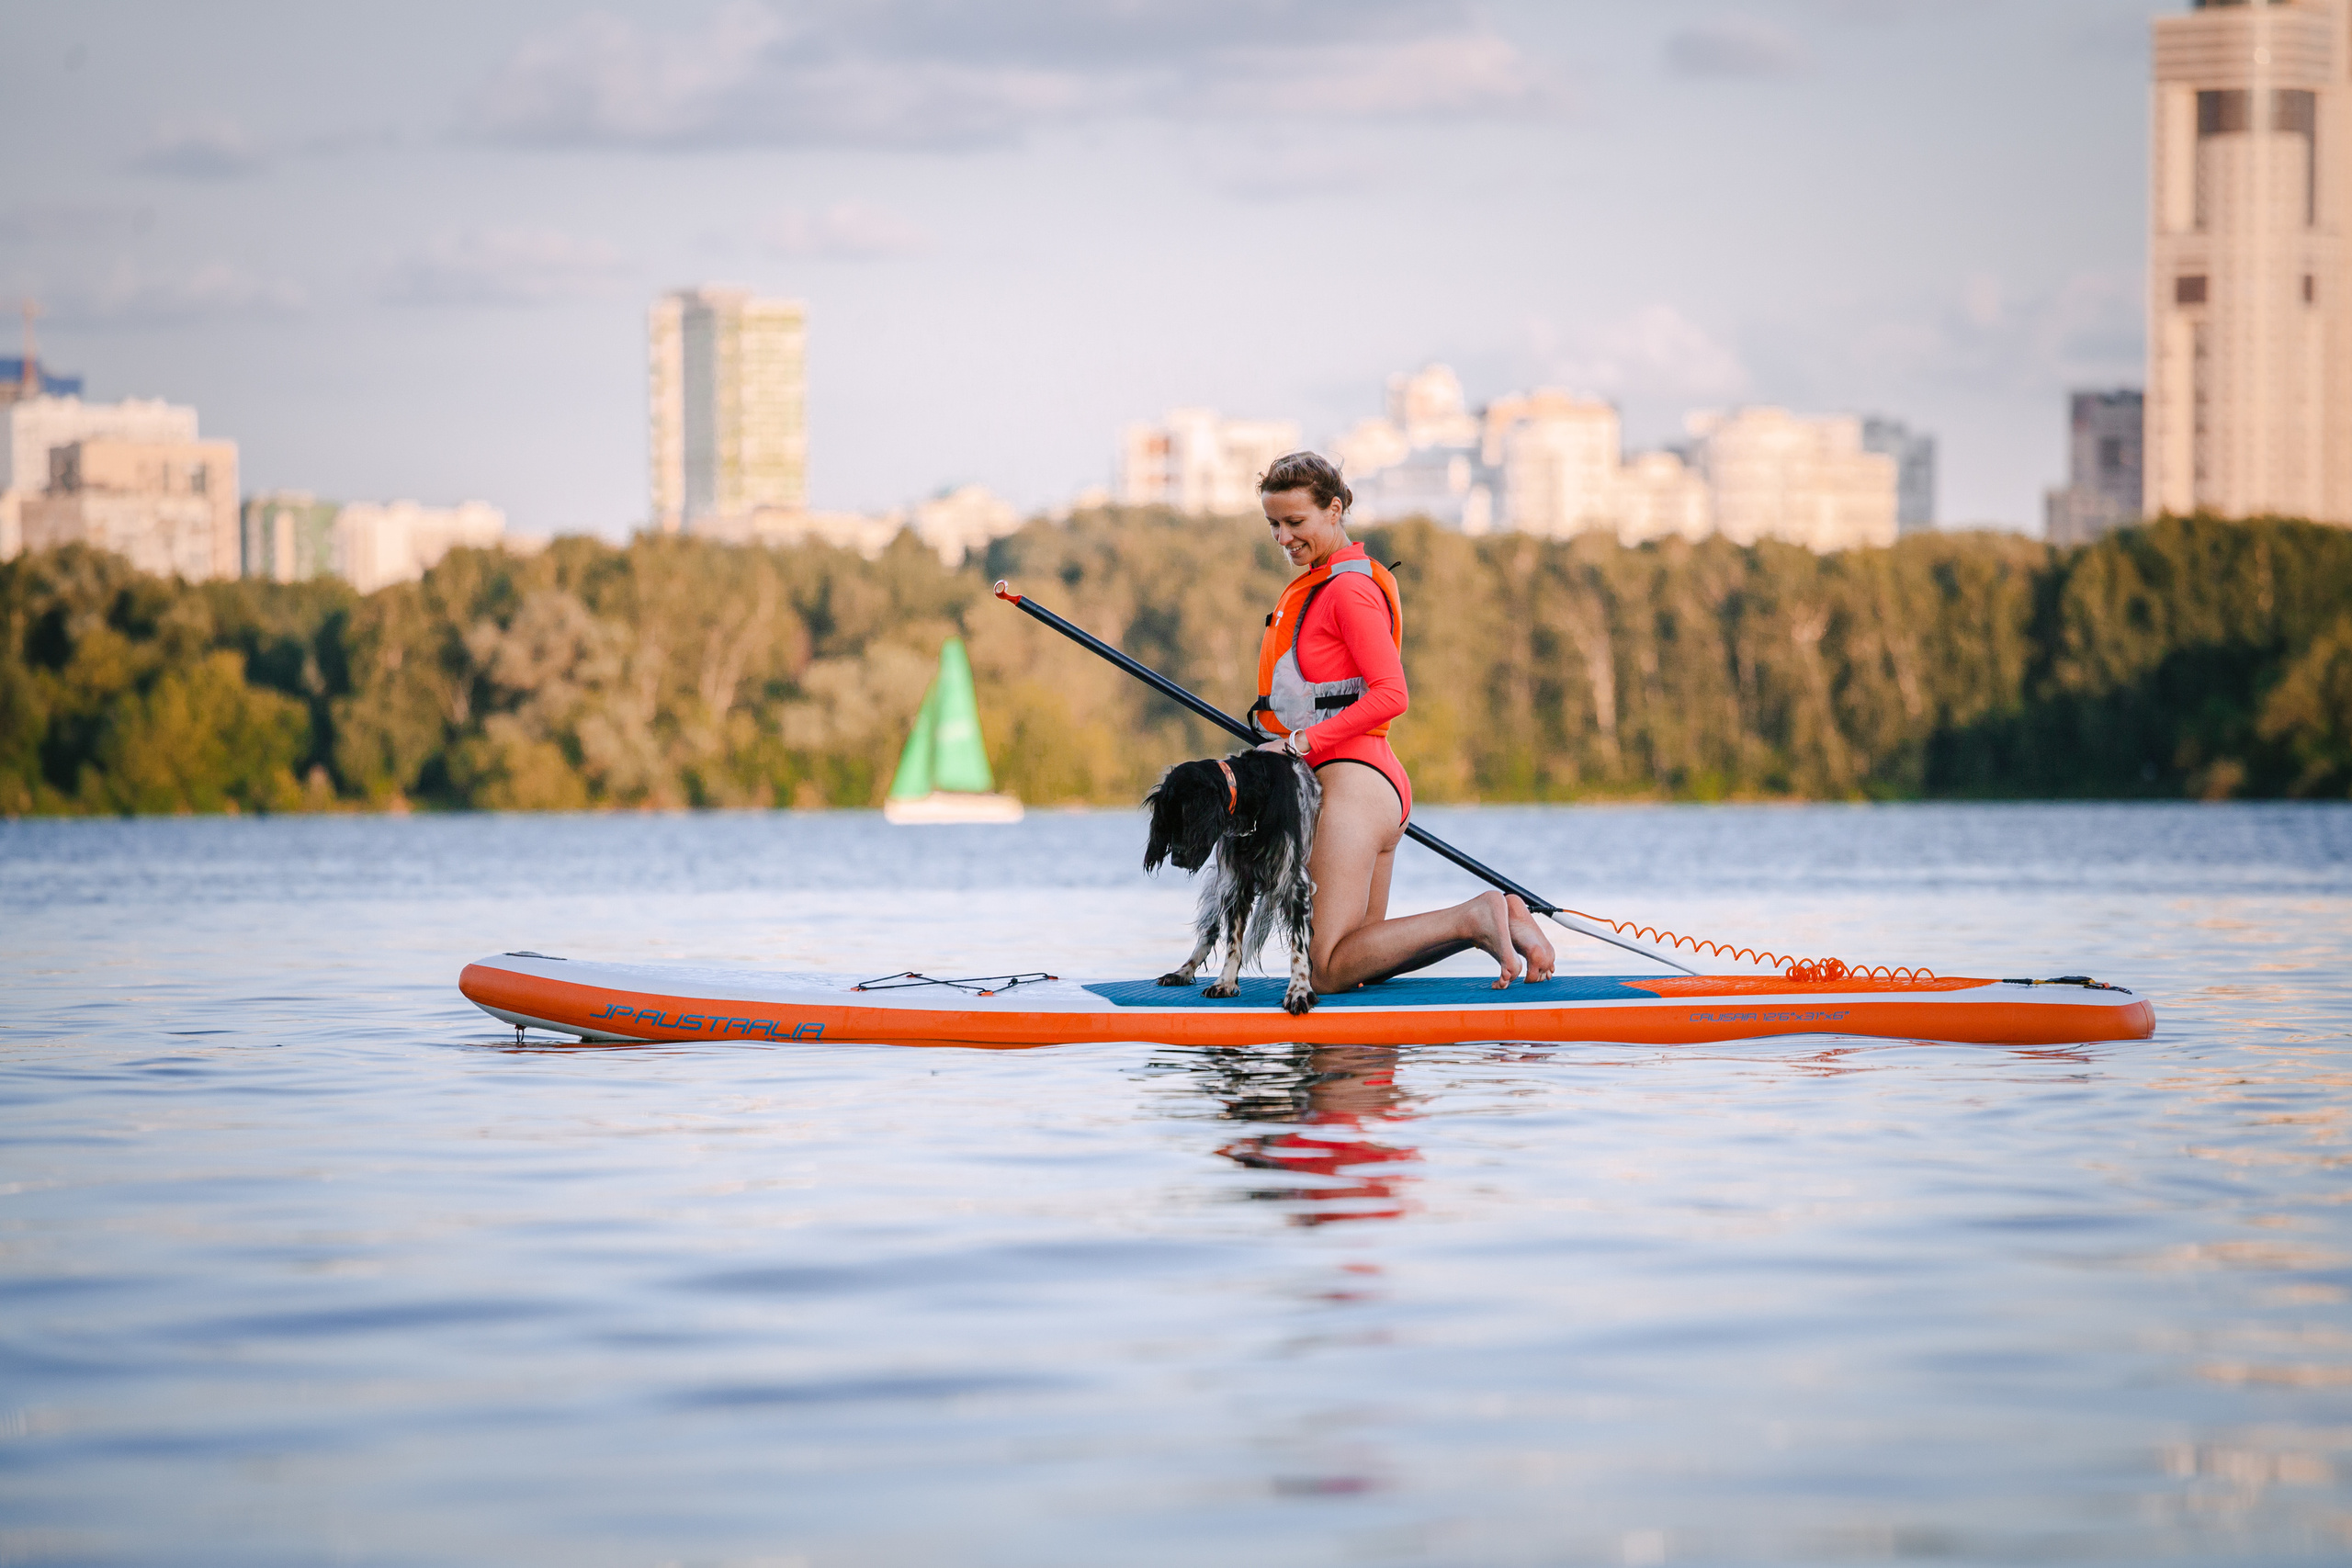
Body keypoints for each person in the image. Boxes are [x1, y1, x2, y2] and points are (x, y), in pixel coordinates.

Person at [1250, 451, 1555, 993]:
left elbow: (1392, 695)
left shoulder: (1347, 589)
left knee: (1323, 970)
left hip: (1352, 788)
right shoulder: (1328, 582)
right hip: (1370, 787)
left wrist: (1296, 743)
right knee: (1358, 963)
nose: (1282, 538)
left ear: (1334, 509)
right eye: (1274, 524)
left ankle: (1475, 918)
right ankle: (1504, 917)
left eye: (1295, 522)